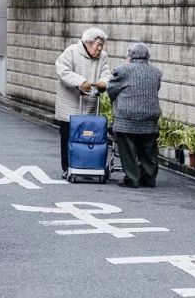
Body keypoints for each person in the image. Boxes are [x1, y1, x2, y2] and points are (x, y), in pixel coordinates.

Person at [54, 27, 111, 178]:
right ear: (88, 42)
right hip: (70, 104)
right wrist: (80, 81)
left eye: (101, 45)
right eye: (97, 44)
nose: (99, 48)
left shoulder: (103, 56)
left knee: (88, 137)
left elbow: (106, 73)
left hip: (90, 103)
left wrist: (103, 82)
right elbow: (62, 71)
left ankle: (88, 165)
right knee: (68, 136)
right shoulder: (71, 51)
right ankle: (67, 166)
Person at [107, 42, 162, 188]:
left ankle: (133, 178)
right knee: (148, 149)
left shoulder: (122, 70)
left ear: (130, 56)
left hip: (127, 117)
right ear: (147, 57)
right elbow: (156, 88)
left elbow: (111, 90)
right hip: (150, 116)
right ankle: (149, 178)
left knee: (127, 149)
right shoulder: (156, 72)